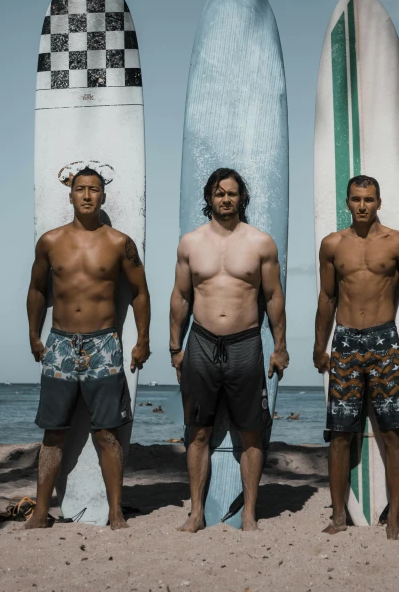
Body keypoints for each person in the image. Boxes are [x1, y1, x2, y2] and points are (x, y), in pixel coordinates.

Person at [25, 167, 150, 530]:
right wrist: (34, 334)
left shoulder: (119, 243)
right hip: (60, 343)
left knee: (107, 432)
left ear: (103, 196)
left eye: (94, 189)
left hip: (104, 343)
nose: (86, 195)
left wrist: (142, 340)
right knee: (53, 431)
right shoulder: (50, 241)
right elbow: (36, 290)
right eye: (80, 189)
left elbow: (140, 292)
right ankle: (39, 511)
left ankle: (115, 512)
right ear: (70, 195)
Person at [169, 167, 289, 532]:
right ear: (209, 198)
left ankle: (250, 513)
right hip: (201, 343)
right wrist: (175, 346)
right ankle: (196, 512)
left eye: (232, 193)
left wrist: (280, 346)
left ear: (242, 198)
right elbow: (181, 296)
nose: (225, 199)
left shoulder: (260, 243)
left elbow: (273, 297)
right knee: (198, 431)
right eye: (219, 193)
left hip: (245, 345)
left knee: (250, 432)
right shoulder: (190, 243)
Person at [314, 175, 399, 540]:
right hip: (345, 342)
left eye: (369, 199)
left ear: (379, 202)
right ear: (346, 203)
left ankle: (394, 519)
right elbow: (327, 298)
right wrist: (320, 345)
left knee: (394, 433)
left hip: (384, 341)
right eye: (356, 199)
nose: (362, 205)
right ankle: (337, 517)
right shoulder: (332, 245)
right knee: (339, 435)